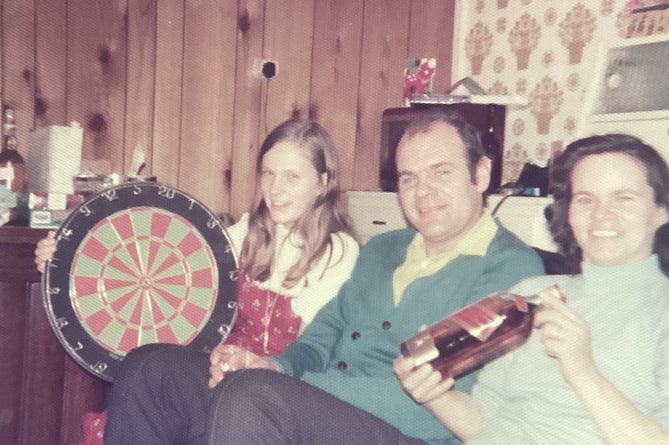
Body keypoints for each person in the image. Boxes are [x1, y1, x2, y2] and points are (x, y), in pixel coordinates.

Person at [202, 110, 545, 444]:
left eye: (441, 173)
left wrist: (294, 384)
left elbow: (452, 400)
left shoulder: (511, 269)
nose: (422, 192)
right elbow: (323, 336)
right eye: (408, 178)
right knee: (160, 370)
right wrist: (275, 366)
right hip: (324, 408)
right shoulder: (382, 249)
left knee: (250, 395)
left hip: (410, 431)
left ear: (481, 174)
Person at [34, 118, 360, 444]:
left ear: (323, 181)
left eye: (292, 177)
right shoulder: (248, 233)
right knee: (143, 364)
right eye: (268, 173)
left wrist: (254, 366)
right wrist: (65, 257)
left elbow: (315, 353)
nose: (275, 189)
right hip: (226, 374)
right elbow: (155, 270)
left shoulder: (339, 253)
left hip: (283, 393)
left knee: (168, 383)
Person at [394, 133, 669, 444]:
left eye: (624, 198)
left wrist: (582, 371)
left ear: (662, 211)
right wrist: (433, 394)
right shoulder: (529, 295)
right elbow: (482, 422)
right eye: (585, 199)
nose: (601, 214)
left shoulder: (661, 313)